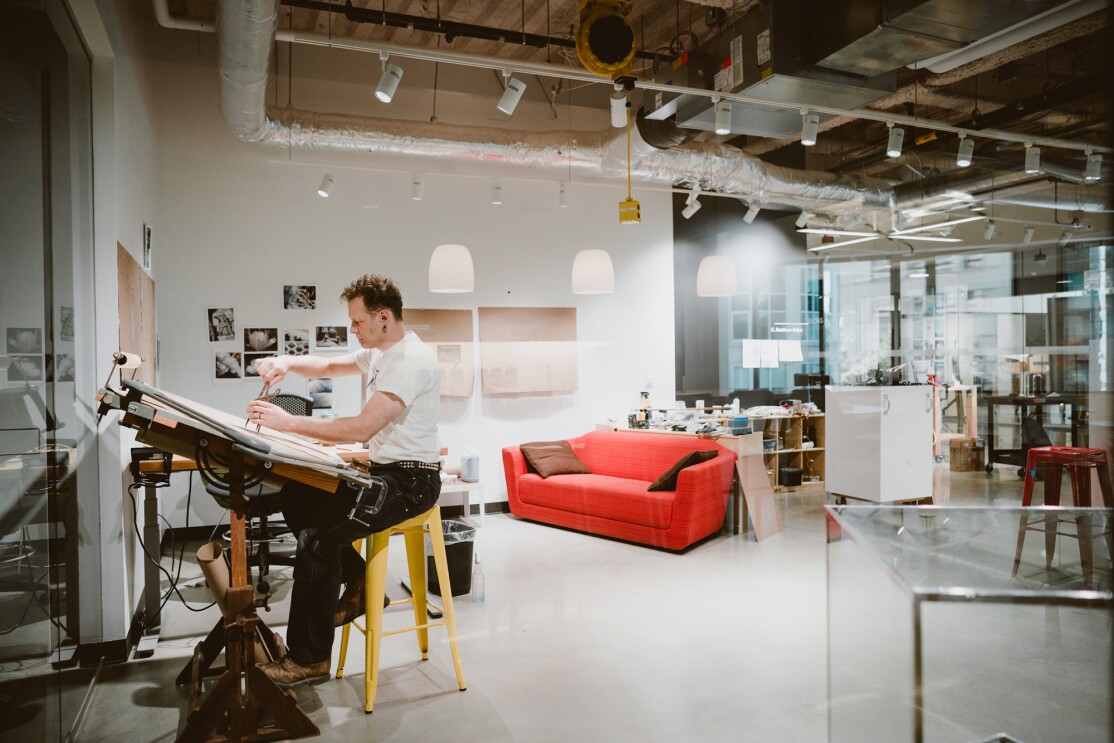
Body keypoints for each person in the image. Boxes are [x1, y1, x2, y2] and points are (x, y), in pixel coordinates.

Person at [246, 274, 442, 687]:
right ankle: (360, 582)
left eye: (357, 322)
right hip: (387, 473)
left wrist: (288, 423)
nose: (352, 330)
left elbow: (360, 429)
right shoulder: (380, 353)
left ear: (383, 317)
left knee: (317, 540)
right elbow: (329, 364)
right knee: (299, 493)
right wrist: (286, 362)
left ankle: (309, 658)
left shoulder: (410, 361)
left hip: (412, 483)